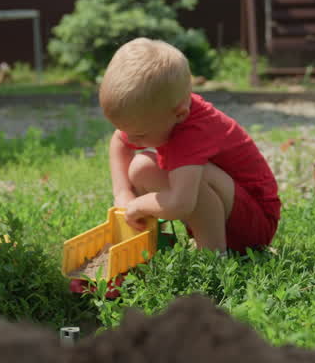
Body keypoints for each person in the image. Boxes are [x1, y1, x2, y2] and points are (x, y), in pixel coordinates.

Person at [101, 38, 281, 253]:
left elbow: (180, 203)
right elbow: (119, 140)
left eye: (139, 134)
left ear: (179, 114)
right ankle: (152, 243)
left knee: (176, 174)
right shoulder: (165, 112)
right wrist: (122, 193)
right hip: (230, 209)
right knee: (142, 168)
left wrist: (139, 206)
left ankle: (213, 258)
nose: (131, 139)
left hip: (253, 226)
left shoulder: (192, 133)